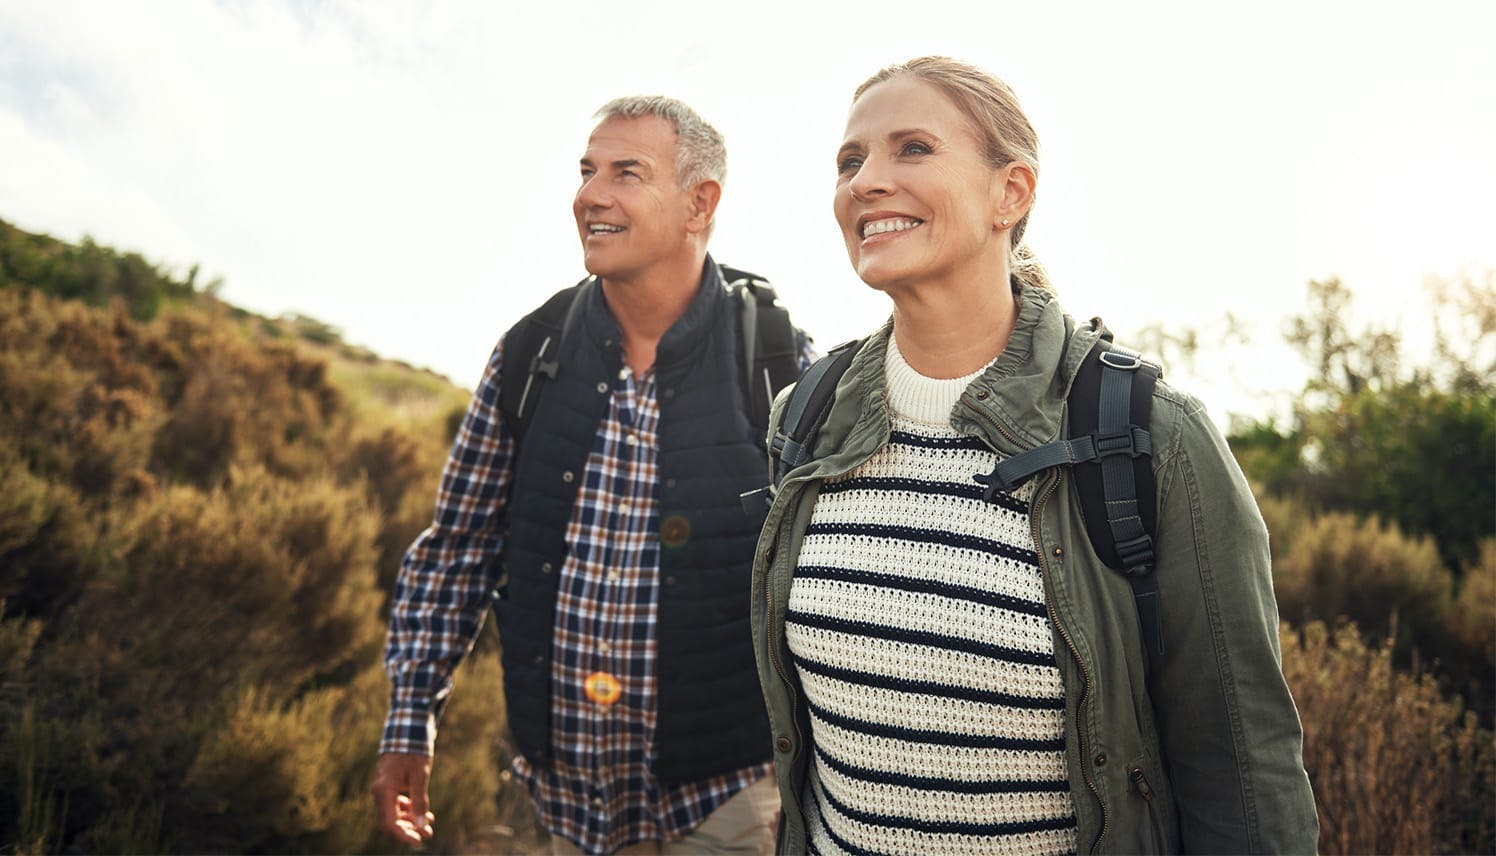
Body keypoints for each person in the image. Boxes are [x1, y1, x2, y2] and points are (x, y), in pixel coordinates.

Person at [750, 57, 1320, 855]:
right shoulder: (805, 418)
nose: (866, 181)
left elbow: (1246, 774)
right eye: (851, 161)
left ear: (1010, 192)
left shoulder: (1152, 436)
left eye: (912, 148)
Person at [373, 95, 813, 855]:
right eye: (587, 170)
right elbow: (457, 551)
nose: (589, 195)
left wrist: (812, 776)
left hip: (732, 801)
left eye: (626, 172)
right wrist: (411, 722)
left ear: (698, 204)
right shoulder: (529, 353)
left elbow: (820, 582)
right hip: (566, 806)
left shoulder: (776, 358)